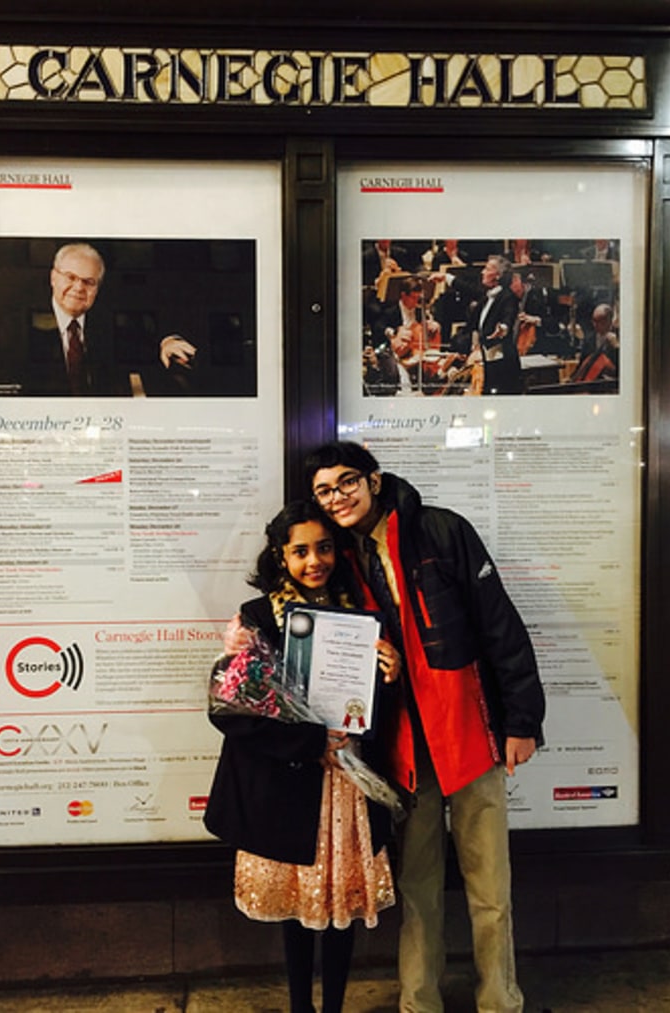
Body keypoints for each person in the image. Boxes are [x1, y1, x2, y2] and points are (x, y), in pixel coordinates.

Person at [303, 442, 546, 1013]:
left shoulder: (441, 532)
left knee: (491, 889)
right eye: (324, 490)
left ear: (375, 481)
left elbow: (499, 626)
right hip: (403, 750)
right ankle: (419, 1003)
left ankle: (500, 1001)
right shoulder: (339, 556)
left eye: (346, 483)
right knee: (417, 892)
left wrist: (522, 720)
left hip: (469, 737)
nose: (337, 497)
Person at [204, 500, 401, 1013]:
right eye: (301, 551)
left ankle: (332, 1006)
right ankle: (300, 1007)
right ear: (280, 555)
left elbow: (384, 708)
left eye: (324, 547)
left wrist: (390, 673)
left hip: (349, 785)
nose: (315, 560)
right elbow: (229, 711)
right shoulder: (255, 620)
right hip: (291, 786)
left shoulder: (363, 614)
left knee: (340, 907)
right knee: (298, 906)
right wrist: (309, 742)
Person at [0, 242, 197, 396]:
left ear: (97, 288)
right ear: (53, 278)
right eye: (70, 277)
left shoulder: (106, 321)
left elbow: (147, 336)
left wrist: (167, 342)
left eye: (88, 282)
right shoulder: (16, 326)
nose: (79, 288)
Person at [433, 254, 522, 394]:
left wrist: (503, 328)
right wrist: (446, 277)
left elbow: (508, 317)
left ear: (497, 275)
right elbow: (467, 288)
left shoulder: (508, 297)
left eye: (487, 269)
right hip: (488, 361)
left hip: (502, 364)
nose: (482, 272)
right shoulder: (487, 295)